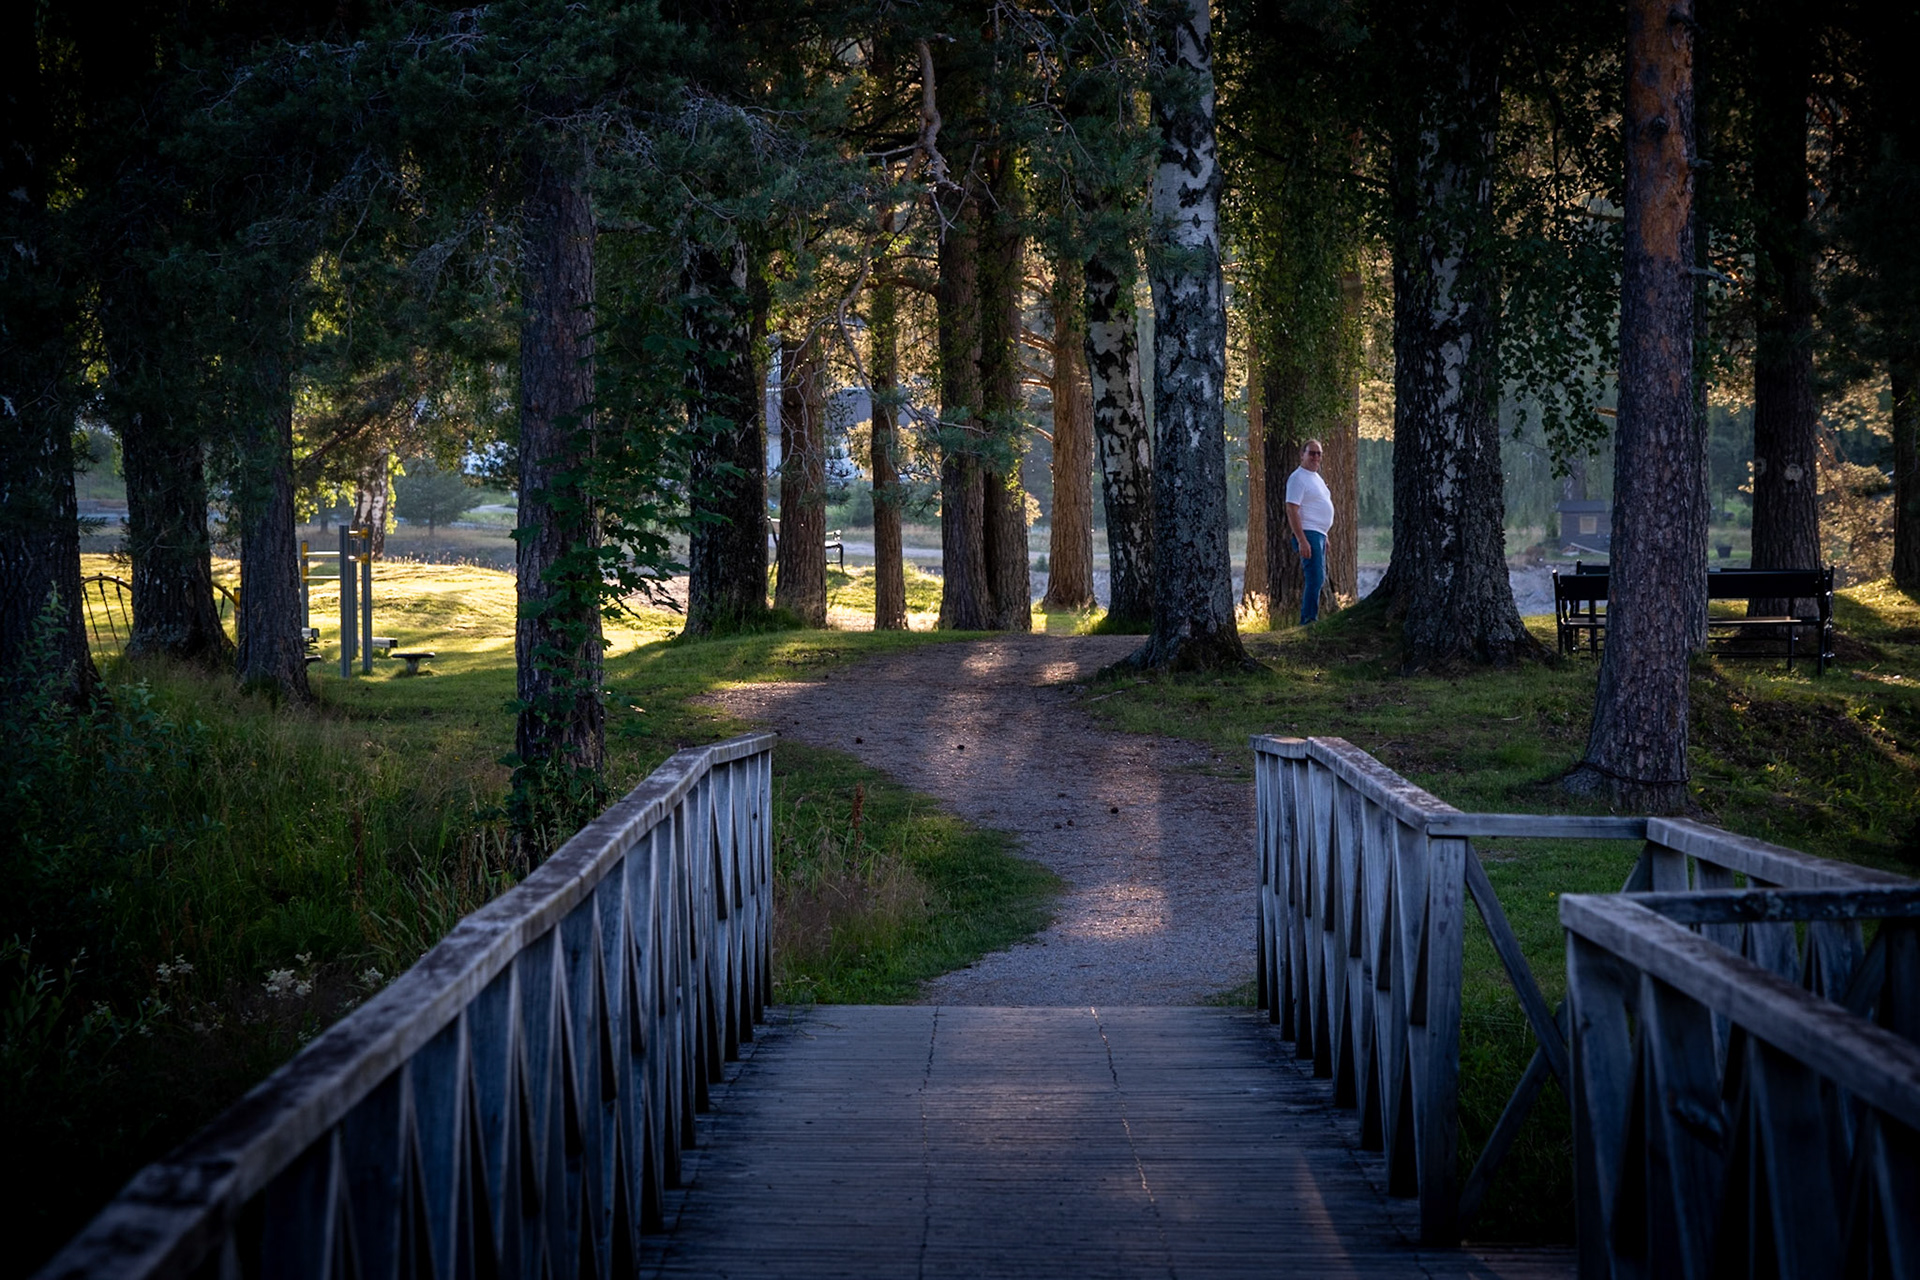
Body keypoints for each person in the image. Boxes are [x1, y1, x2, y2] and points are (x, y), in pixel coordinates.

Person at [1284, 439, 1333, 625]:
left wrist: (1325, 534)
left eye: (1319, 453)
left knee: (1318, 578)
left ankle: (1310, 618)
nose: (1316, 457)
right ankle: (1308, 621)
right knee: (1315, 578)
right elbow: (1292, 509)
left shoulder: (1316, 478)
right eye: (1312, 453)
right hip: (1308, 533)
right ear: (1302, 455)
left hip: (1318, 534)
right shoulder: (1298, 478)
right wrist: (1302, 539)